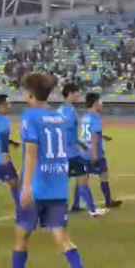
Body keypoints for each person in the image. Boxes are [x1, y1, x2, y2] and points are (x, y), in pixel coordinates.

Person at [0, 73, 92, 268]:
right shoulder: (59, 117)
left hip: (38, 186)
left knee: (22, 235)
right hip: (58, 185)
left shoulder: (30, 117)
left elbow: (31, 154)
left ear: (30, 93)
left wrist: (26, 187)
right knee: (61, 236)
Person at [59, 84, 95, 213]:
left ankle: (69, 207)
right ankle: (92, 209)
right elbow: (66, 131)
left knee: (65, 182)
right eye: (77, 92)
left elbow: (67, 133)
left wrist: (80, 143)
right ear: (70, 94)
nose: (79, 95)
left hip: (66, 153)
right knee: (82, 179)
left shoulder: (62, 110)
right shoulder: (68, 112)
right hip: (71, 154)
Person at [81, 93, 118, 211]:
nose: (102, 104)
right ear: (95, 103)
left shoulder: (85, 117)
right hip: (95, 151)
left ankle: (80, 203)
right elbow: (93, 135)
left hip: (85, 151)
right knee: (104, 175)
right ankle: (108, 201)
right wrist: (95, 154)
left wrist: (103, 137)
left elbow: (89, 134)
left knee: (83, 178)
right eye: (100, 101)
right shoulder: (95, 117)